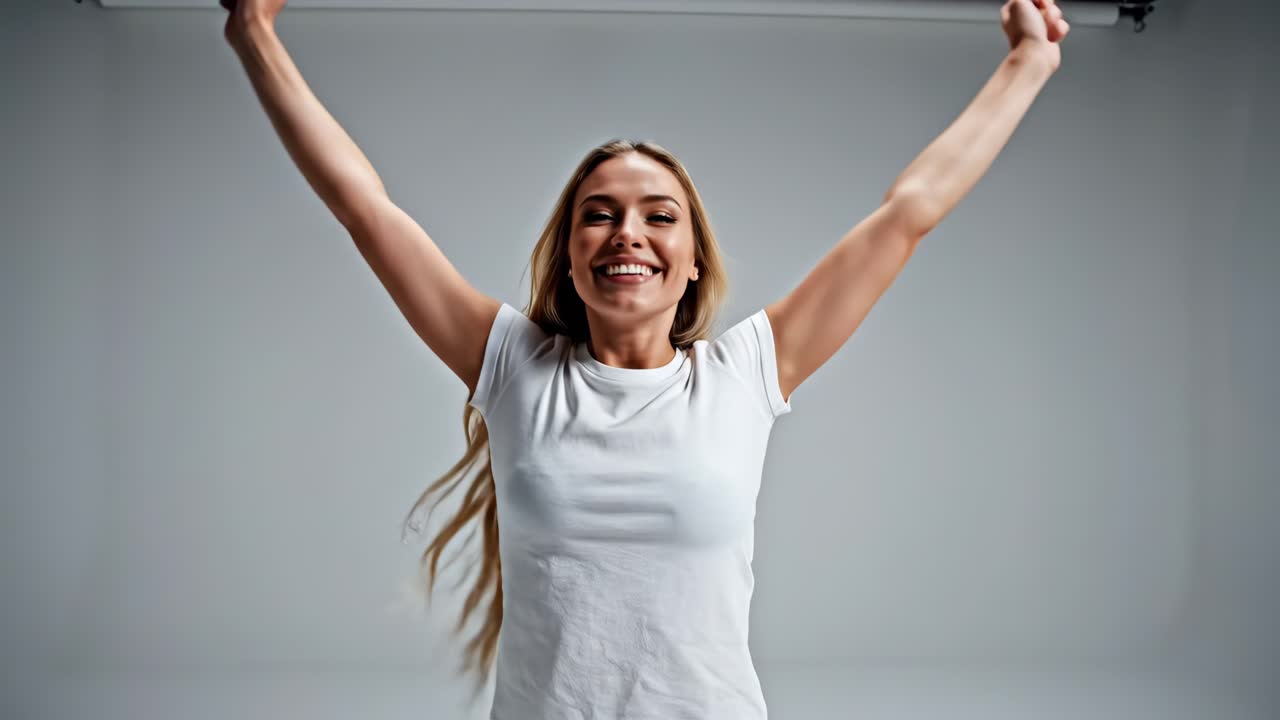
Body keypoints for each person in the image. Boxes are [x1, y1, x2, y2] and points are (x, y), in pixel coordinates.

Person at [221, 0, 1069, 716]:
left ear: (693, 258)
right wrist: (253, 31)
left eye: (659, 216)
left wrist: (1028, 62)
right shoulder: (515, 367)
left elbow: (906, 213)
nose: (628, 232)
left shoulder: (743, 375)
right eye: (600, 214)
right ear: (568, 254)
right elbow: (363, 207)